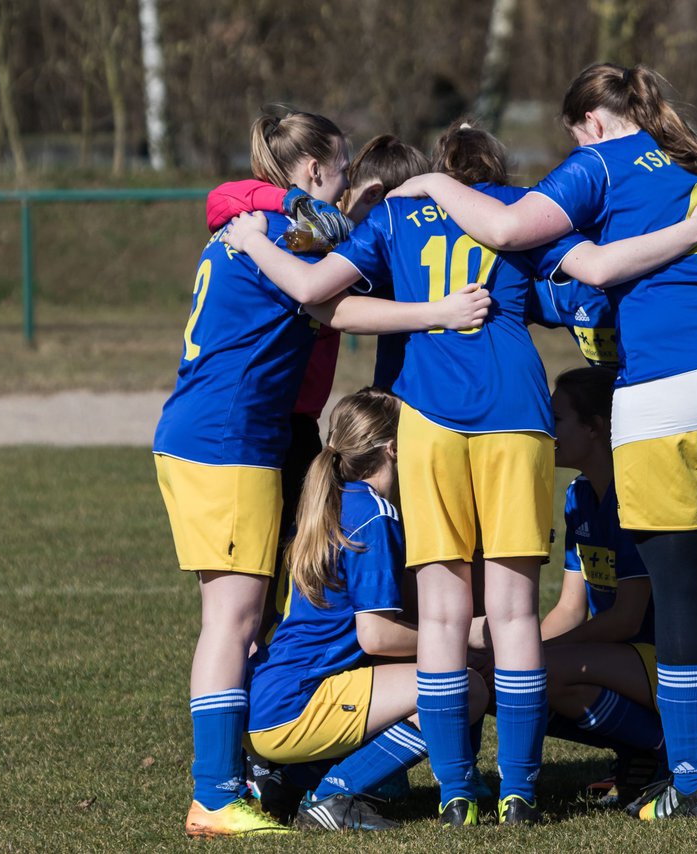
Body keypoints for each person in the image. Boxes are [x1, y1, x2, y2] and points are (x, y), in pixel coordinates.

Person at [223, 119, 697, 826]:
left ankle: (459, 792)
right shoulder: (521, 211)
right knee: (515, 610)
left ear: (439, 167)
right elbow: (590, 281)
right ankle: (518, 792)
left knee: (440, 611)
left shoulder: (398, 213)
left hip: (425, 417)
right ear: (494, 168)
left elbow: (321, 298)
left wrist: (417, 311)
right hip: (516, 413)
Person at [386, 64, 697, 819]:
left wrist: (435, 186)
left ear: (592, 123)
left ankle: (691, 784)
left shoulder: (601, 163)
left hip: (671, 384)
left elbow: (513, 229)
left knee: (679, 589)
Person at [153, 106, 490, 839]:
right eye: (337, 170)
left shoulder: (266, 218)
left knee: (248, 619)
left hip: (223, 431)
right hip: (226, 434)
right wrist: (439, 311)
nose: (340, 186)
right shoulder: (284, 232)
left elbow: (236, 202)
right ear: (312, 169)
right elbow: (330, 304)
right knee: (234, 623)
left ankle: (249, 777)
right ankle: (215, 794)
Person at [245, 387, 489, 831]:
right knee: (463, 685)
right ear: (395, 448)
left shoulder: (334, 503)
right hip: (296, 706)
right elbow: (375, 635)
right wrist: (461, 635)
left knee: (439, 670)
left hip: (270, 703)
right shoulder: (376, 516)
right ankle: (335, 793)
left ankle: (288, 780)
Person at [539, 366, 666, 808]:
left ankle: (665, 748)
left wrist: (546, 655)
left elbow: (628, 617)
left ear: (596, 429)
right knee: (509, 675)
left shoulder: (633, 493)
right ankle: (640, 751)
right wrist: (511, 652)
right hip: (617, 656)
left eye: (556, 420)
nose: (545, 430)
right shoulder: (578, 494)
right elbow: (569, 609)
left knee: (538, 672)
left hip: (664, 660)